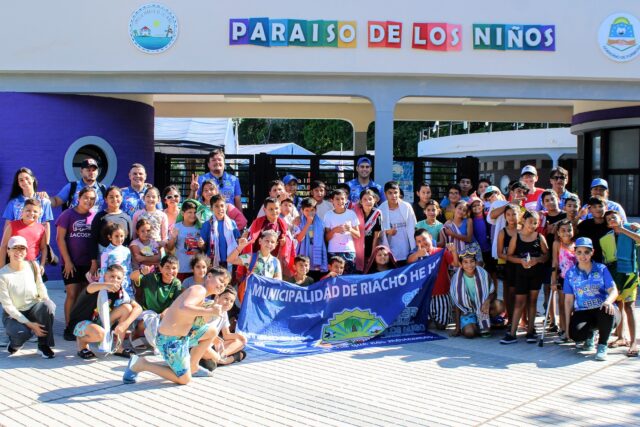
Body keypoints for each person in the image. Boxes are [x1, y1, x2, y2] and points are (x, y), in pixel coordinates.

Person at [123, 267, 230, 384]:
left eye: (225, 284)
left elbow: (194, 322)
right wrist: (210, 311)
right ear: (209, 276)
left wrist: (210, 312)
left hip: (182, 337)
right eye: (221, 281)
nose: (222, 285)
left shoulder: (203, 296)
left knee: (212, 331)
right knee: (184, 379)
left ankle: (193, 366)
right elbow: (183, 307)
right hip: (169, 340)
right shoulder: (199, 290)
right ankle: (141, 364)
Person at [70, 264, 141, 359]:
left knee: (127, 308)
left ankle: (118, 347)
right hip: (80, 323)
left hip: (99, 322)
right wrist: (106, 285)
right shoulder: (97, 287)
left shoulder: (121, 293)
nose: (115, 280)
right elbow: (90, 287)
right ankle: (82, 343)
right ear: (104, 276)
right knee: (101, 334)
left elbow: (138, 308)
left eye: (118, 278)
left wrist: (125, 324)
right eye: (112, 276)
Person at [564, 237, 619, 361]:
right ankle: (590, 334)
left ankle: (602, 345)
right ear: (574, 252)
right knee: (575, 334)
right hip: (583, 311)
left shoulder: (601, 268)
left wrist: (608, 301)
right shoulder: (570, 273)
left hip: (603, 309)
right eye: (579, 252)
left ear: (592, 252)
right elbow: (568, 301)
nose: (583, 256)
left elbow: (614, 290)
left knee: (606, 309)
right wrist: (567, 326)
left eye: (586, 252)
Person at [0, 236, 55, 358]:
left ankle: (43, 345)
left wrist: (47, 303)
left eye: (22, 248)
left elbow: (40, 287)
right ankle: (15, 344)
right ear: (8, 251)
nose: (18, 251)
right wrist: (30, 324)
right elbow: (8, 306)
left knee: (48, 306)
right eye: (14, 248)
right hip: (13, 314)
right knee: (21, 332)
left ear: (26, 252)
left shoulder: (33, 266)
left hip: (33, 307)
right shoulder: (2, 275)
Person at [501, 210, 549, 344]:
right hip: (521, 274)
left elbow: (547, 255)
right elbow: (509, 256)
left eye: (535, 223)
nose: (533, 225)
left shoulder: (539, 237)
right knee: (519, 302)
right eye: (530, 222)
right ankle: (512, 333)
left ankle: (530, 331)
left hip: (535, 274)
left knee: (532, 302)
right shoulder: (516, 237)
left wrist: (537, 260)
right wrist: (521, 261)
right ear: (523, 221)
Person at [56, 186, 97, 341]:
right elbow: (60, 239)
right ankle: (69, 327)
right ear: (79, 198)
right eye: (86, 197)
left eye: (92, 199)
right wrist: (67, 261)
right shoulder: (67, 214)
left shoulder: (94, 216)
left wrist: (94, 263)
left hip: (89, 264)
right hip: (71, 263)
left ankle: (81, 326)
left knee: (83, 296)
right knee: (72, 294)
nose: (89, 201)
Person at [602, 211, 640, 357]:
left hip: (630, 274)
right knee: (619, 305)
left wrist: (623, 229)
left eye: (614, 217)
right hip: (615, 274)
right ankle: (620, 337)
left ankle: (633, 342)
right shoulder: (607, 237)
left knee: (629, 306)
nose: (611, 219)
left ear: (621, 218)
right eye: (608, 219)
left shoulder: (632, 228)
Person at [407, 230, 456, 330]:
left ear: (430, 237)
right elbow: (409, 260)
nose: (422, 243)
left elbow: (455, 264)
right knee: (424, 324)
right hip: (424, 295)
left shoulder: (441, 251)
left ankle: (439, 317)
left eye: (424, 239)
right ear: (416, 243)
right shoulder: (416, 253)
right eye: (419, 241)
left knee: (441, 326)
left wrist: (454, 251)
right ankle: (430, 318)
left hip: (441, 294)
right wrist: (417, 254)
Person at [3, 167, 54, 260]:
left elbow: (46, 225)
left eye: (27, 178)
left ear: (33, 179)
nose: (25, 182)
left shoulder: (44, 201)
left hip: (35, 249)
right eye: (21, 180)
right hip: (16, 249)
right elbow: (7, 226)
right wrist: (7, 249)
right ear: (18, 183)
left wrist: (45, 249)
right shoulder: (13, 203)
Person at [450, 250, 496, 338]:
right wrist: (457, 328)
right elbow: (457, 304)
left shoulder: (484, 274)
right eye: (465, 262)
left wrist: (488, 301)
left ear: (475, 262)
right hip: (467, 311)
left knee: (499, 305)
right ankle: (479, 324)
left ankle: (485, 322)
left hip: (483, 308)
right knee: (469, 333)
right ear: (461, 264)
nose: (469, 265)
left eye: (472, 261)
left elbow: (493, 292)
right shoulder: (456, 279)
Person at [245, 197, 295, 277]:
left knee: (272, 278)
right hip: (258, 258)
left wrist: (284, 241)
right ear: (264, 210)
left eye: (276, 208)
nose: (274, 211)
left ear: (280, 209)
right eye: (271, 209)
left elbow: (288, 239)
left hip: (274, 259)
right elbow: (250, 239)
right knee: (258, 277)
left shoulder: (282, 223)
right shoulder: (258, 222)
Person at [228, 230, 283, 298]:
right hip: (250, 296)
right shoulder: (251, 257)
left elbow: (279, 280)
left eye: (272, 242)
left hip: (265, 296)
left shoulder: (276, 261)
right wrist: (240, 247)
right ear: (260, 241)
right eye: (267, 241)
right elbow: (230, 260)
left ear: (275, 245)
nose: (269, 244)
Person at [90, 186, 134, 271]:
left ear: (121, 198)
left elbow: (130, 241)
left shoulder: (126, 217)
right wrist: (94, 262)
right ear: (106, 199)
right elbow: (93, 240)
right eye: (111, 197)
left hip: (122, 258)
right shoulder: (100, 217)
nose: (115, 199)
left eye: (117, 196)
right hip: (103, 258)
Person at [203, 286, 247, 369]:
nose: (228, 303)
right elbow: (199, 330)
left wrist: (240, 337)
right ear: (217, 297)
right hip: (201, 344)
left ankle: (219, 357)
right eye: (226, 299)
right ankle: (228, 359)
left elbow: (226, 335)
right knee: (209, 364)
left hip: (213, 346)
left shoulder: (224, 312)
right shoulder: (210, 307)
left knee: (239, 342)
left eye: (231, 301)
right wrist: (213, 338)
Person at [0, 199, 47, 276]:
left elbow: (44, 248)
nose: (32, 213)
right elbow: (3, 246)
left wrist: (42, 265)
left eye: (35, 211)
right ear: (22, 212)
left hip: (32, 266)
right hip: (13, 265)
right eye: (28, 210)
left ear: (40, 214)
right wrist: (1, 267)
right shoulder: (12, 225)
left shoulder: (41, 228)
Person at [550, 219, 576, 343]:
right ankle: (564, 330)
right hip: (563, 278)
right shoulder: (557, 244)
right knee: (562, 305)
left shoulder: (576, 244)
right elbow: (555, 263)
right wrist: (553, 280)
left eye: (569, 230)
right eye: (563, 230)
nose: (566, 233)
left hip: (576, 280)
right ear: (558, 233)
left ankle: (573, 331)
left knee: (574, 306)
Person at [166, 200, 205, 281]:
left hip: (196, 269)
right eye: (189, 212)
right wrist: (173, 238)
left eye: (195, 212)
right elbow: (169, 248)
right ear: (183, 213)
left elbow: (204, 249)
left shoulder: (200, 228)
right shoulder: (176, 227)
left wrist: (202, 245)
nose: (193, 215)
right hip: (181, 268)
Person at [324, 189, 360, 274]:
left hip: (349, 251)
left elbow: (358, 235)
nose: (340, 201)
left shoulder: (351, 214)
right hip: (333, 251)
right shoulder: (328, 215)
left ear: (346, 200)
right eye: (337, 199)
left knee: (349, 277)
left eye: (342, 199)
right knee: (334, 276)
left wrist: (350, 229)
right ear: (332, 200)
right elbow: (326, 238)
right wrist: (334, 230)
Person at [379, 181, 416, 265]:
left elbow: (412, 227)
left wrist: (414, 249)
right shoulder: (381, 209)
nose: (393, 196)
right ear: (385, 194)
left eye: (395, 192)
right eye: (390, 193)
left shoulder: (406, 206)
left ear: (399, 193)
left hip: (405, 245)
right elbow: (377, 232)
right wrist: (387, 232)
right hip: (390, 246)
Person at [200, 194, 241, 271]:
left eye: (222, 206)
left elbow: (237, 241)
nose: (220, 209)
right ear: (211, 208)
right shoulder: (207, 224)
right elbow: (203, 247)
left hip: (230, 261)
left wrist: (243, 238)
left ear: (226, 207)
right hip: (212, 262)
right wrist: (201, 244)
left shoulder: (232, 223)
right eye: (216, 206)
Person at [496, 204, 521, 327]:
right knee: (509, 293)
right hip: (508, 266)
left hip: (522, 266)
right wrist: (513, 259)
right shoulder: (502, 232)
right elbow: (499, 253)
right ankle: (510, 319)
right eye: (508, 215)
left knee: (522, 293)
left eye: (514, 214)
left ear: (519, 215)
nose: (511, 217)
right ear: (505, 216)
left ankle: (523, 319)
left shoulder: (523, 230)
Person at [294, 197, 327, 279]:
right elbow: (299, 239)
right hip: (304, 255)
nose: (310, 213)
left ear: (316, 210)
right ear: (302, 210)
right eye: (307, 210)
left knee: (316, 278)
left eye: (312, 210)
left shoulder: (321, 223)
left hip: (316, 257)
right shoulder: (299, 222)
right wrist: (308, 223)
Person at [98, 222, 133, 297]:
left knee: (129, 302)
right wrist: (103, 287)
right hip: (112, 284)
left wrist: (131, 282)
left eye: (121, 236)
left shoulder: (127, 250)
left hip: (126, 284)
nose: (119, 239)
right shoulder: (106, 252)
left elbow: (129, 267)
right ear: (110, 237)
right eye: (116, 236)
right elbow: (103, 271)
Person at [353, 189, 382, 272]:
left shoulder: (377, 213)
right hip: (356, 248)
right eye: (365, 199)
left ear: (374, 200)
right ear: (361, 201)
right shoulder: (355, 213)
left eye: (370, 199)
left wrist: (373, 254)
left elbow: (376, 236)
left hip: (371, 246)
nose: (368, 202)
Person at [576, 196, 610, 263]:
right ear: (589, 209)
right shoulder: (584, 224)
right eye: (594, 207)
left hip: (610, 261)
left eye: (600, 206)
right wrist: (578, 216)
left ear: (606, 207)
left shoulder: (611, 224)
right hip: (590, 261)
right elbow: (572, 231)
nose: (598, 209)